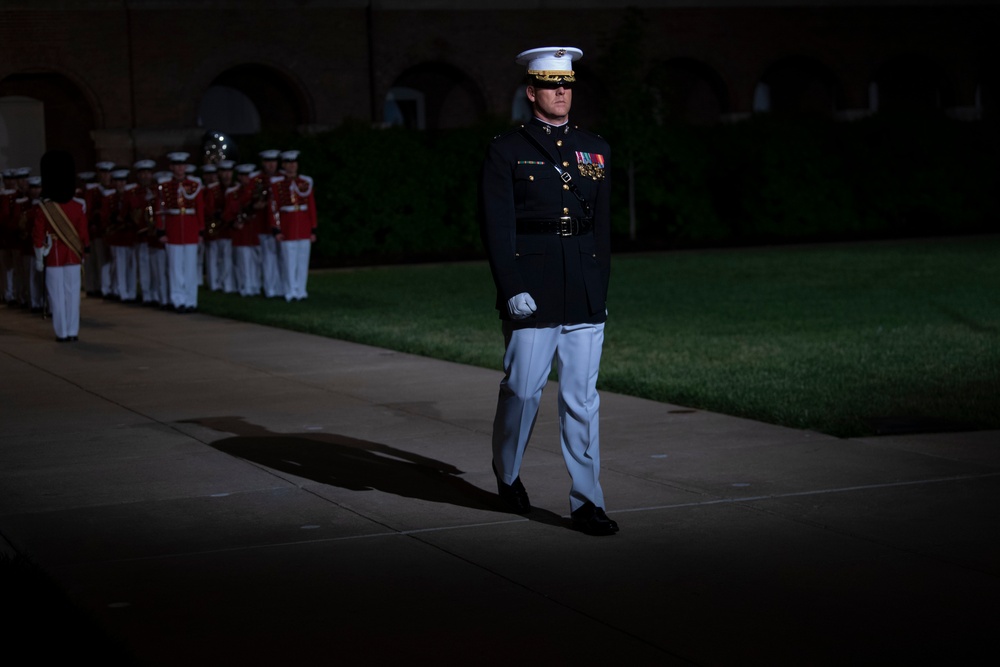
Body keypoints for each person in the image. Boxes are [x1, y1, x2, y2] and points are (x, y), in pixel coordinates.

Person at [479, 46, 617, 536]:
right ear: (531, 91)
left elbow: (600, 227)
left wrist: (599, 284)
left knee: (581, 400)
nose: (562, 91)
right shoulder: (507, 150)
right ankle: (507, 471)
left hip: (582, 286)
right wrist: (511, 285)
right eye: (552, 84)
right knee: (522, 391)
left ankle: (587, 501)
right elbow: (497, 227)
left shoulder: (594, 148)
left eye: (568, 84)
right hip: (531, 289)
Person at [33, 150, 89, 342]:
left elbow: (38, 235)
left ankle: (62, 332)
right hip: (73, 254)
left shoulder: (44, 208)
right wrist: (84, 250)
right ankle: (73, 331)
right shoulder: (77, 205)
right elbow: (83, 233)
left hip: (53, 254)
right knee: (73, 295)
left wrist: (39, 258)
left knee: (56, 296)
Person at [156, 152, 205, 312]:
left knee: (190, 268)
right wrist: (161, 231)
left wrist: (201, 231)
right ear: (171, 167)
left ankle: (191, 301)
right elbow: (160, 210)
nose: (180, 168)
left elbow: (200, 209)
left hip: (190, 230)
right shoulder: (164, 185)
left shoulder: (195, 184)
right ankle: (178, 300)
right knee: (175, 268)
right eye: (176, 165)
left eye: (182, 165)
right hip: (173, 230)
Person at [270, 150, 316, 301]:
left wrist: (313, 228)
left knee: (302, 261)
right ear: (284, 165)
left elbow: (311, 207)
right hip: (287, 227)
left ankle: (301, 290)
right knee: (288, 262)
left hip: (303, 226)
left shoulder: (305, 182)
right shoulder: (277, 184)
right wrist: (276, 229)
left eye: (294, 163)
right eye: (289, 163)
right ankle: (290, 291)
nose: (292, 166)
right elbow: (274, 207)